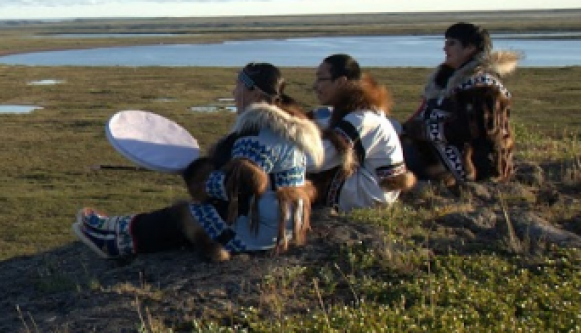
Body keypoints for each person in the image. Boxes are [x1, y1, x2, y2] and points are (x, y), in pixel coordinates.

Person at [74, 62, 323, 263]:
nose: (234, 94)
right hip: (287, 226)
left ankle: (114, 239)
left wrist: (197, 174)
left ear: (254, 93)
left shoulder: (256, 133)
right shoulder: (291, 129)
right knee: (195, 213)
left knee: (183, 215)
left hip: (258, 233)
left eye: (238, 87)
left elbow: (241, 185)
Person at [401, 22, 519, 184]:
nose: (445, 49)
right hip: (448, 158)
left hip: (473, 168)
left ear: (470, 48)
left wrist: (422, 130)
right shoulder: (450, 81)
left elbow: (474, 132)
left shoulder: (482, 86)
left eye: (451, 43)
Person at [307, 54, 414, 210]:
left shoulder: (361, 119)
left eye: (321, 79)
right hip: (378, 189)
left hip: (370, 194)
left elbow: (319, 159)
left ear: (341, 82)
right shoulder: (362, 114)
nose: (315, 86)